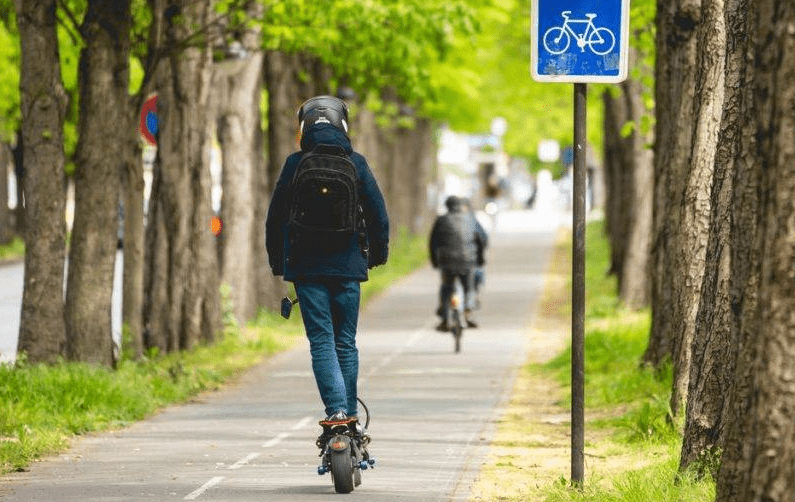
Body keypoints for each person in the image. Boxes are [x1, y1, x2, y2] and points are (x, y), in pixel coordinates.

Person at [266, 95, 389, 426]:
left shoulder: (295, 164)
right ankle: (349, 415)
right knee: (345, 343)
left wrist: (279, 263)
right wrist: (378, 254)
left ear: (304, 127)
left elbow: (275, 218)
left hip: (307, 270)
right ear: (343, 125)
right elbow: (378, 214)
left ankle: (335, 411)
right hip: (348, 268)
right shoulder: (357, 162)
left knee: (321, 341)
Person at [429, 195, 488, 331]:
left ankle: (445, 318)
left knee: (446, 287)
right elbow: (482, 239)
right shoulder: (471, 219)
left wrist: (435, 262)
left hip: (447, 262)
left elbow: (433, 243)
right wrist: (480, 259)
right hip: (468, 261)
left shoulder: (441, 220)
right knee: (469, 288)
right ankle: (468, 310)